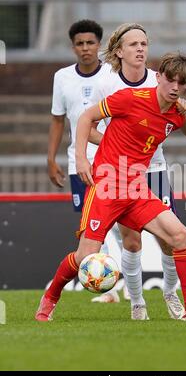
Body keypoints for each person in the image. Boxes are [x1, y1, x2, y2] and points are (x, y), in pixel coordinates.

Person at [35, 51, 186, 323]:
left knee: (181, 236)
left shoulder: (174, 112)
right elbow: (86, 117)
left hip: (136, 189)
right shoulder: (130, 99)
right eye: (170, 80)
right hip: (107, 187)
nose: (175, 87)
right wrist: (81, 160)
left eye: (182, 83)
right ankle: (50, 297)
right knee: (86, 255)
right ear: (158, 78)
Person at [90, 23, 184, 320]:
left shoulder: (159, 80)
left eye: (144, 43)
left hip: (155, 170)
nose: (141, 49)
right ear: (119, 51)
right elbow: (90, 125)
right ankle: (137, 303)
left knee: (170, 240)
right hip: (121, 175)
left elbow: (176, 119)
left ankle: (171, 293)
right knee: (132, 241)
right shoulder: (107, 84)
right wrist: (120, 146)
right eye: (133, 44)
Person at [46, 19, 129, 300]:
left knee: (121, 226)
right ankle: (109, 288)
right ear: (73, 47)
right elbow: (58, 120)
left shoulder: (113, 76)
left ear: (100, 45)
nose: (85, 48)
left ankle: (129, 282)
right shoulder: (62, 78)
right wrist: (51, 158)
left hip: (111, 161)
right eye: (80, 43)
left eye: (90, 43)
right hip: (78, 162)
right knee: (91, 227)